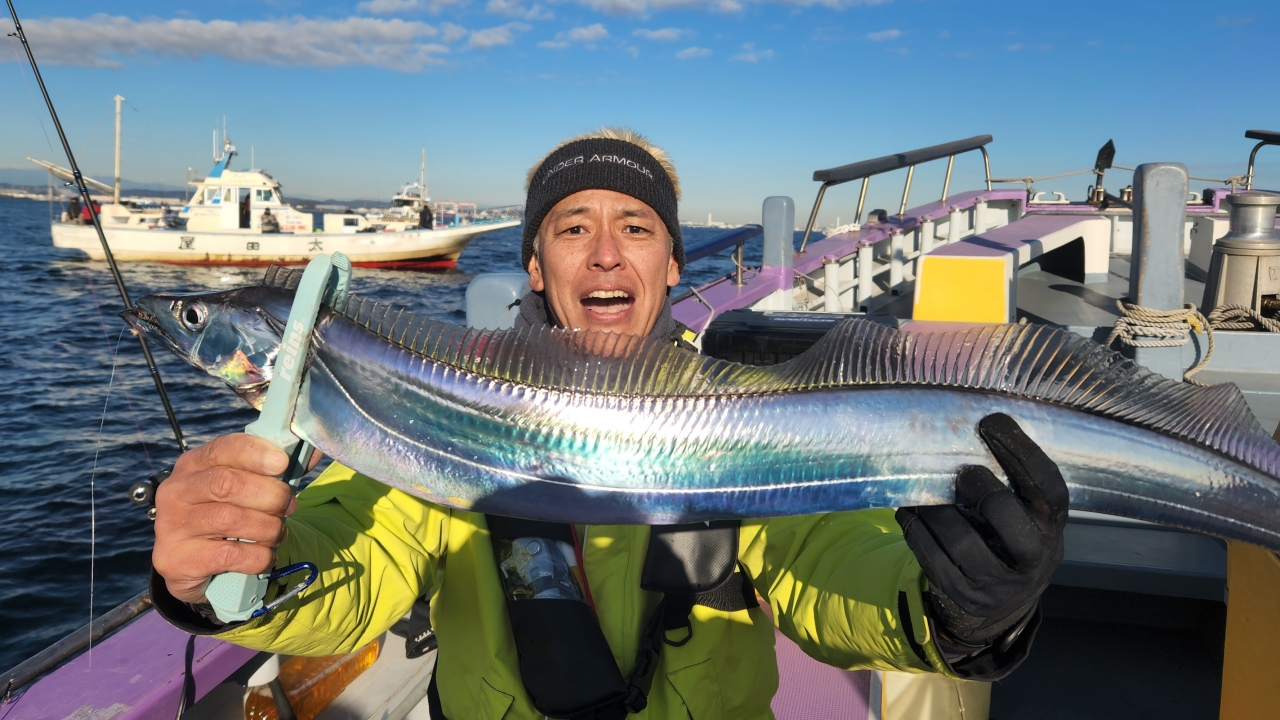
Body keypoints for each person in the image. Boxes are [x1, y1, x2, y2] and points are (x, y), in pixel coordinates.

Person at [150, 128, 1067, 719]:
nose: (603, 252)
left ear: (672, 265)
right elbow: (359, 551)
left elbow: (827, 562)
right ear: (538, 267)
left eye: (635, 226)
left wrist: (955, 611)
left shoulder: (740, 412)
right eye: (570, 227)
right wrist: (237, 571)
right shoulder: (446, 404)